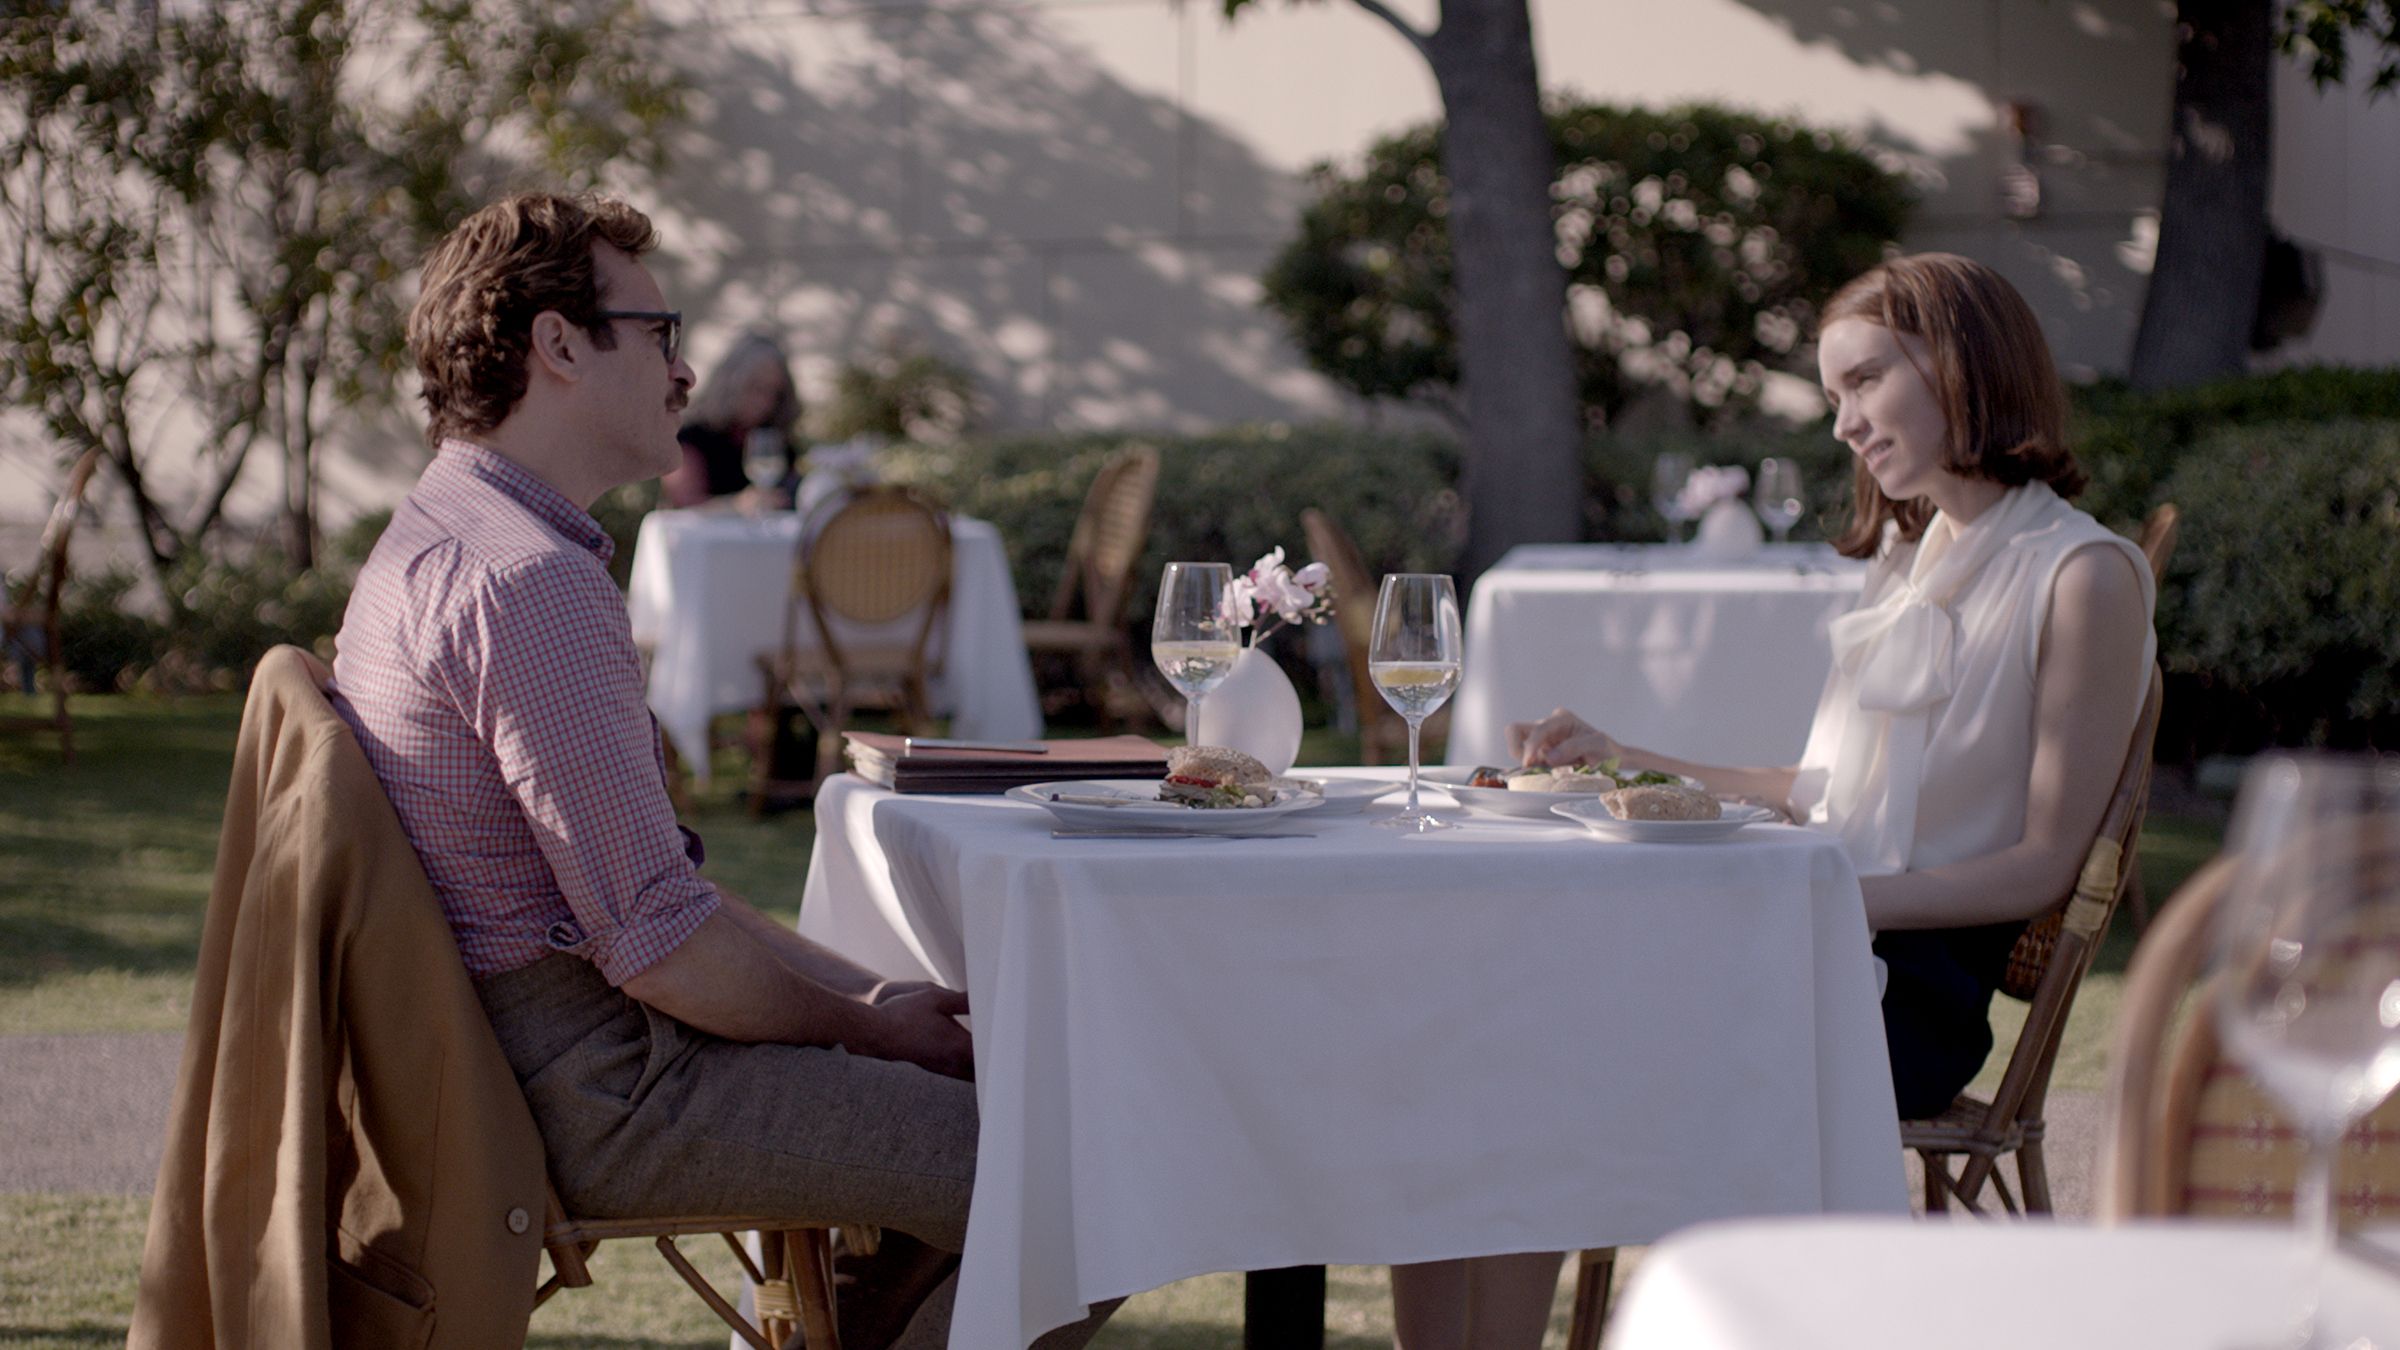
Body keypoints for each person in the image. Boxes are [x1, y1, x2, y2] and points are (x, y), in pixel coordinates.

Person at [331, 192, 1112, 1349]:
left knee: (1014, 1150)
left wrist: (868, 1004)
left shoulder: (439, 536)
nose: (685, 372)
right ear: (559, 345)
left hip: (538, 1054)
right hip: (607, 1089)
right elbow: (661, 952)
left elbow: (656, 902)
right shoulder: (526, 582)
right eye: (660, 333)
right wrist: (868, 1031)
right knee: (1086, 1177)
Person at [1395, 252, 2156, 1349]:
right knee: (1473, 1045)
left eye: (1865, 381)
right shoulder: (1914, 554)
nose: (1845, 424)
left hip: (1904, 994)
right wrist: (1628, 757)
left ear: (1960, 363)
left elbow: (2045, 864)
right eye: (1835, 396)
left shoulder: (2083, 575)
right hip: (1803, 938)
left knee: (1538, 1059)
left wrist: (1828, 894)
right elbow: (1822, 795)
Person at [660, 330, 804, 507]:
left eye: (774, 392)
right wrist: (736, 505)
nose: (764, 401)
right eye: (755, 388)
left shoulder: (774, 439)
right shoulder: (694, 437)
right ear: (731, 384)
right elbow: (685, 503)